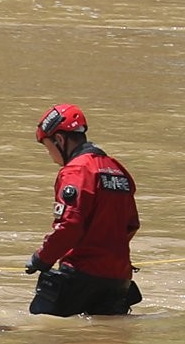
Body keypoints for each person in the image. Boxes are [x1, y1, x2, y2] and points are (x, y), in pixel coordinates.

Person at [25, 103, 142, 316]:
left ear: (59, 140)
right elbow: (131, 225)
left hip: (81, 276)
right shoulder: (117, 169)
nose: (49, 154)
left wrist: (41, 258)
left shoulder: (76, 171)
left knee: (50, 340)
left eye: (46, 145)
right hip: (118, 279)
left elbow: (69, 225)